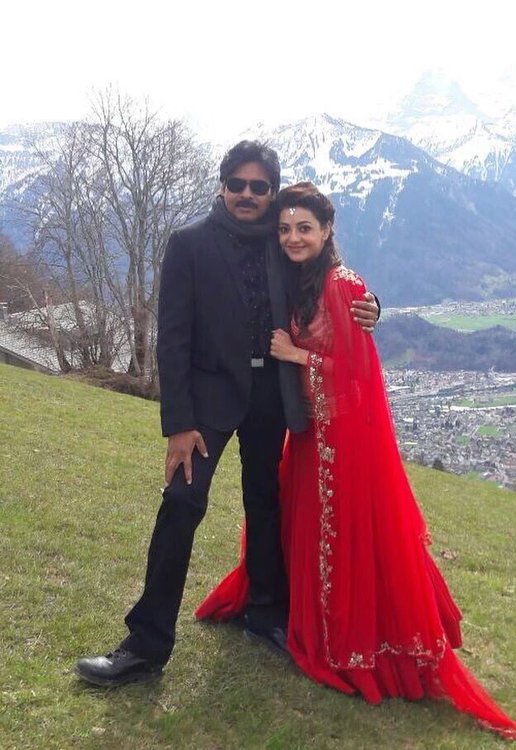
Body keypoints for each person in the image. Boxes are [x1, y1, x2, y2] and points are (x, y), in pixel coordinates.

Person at [195, 183, 516, 743]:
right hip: (312, 435)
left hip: (343, 438)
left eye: (305, 228)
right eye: (286, 229)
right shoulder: (299, 278)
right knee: (304, 527)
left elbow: (355, 376)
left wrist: (296, 354)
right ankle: (295, 612)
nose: (293, 238)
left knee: (345, 535)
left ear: (327, 230)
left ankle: (355, 638)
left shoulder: (342, 284)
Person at [74, 144, 379, 687]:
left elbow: (326, 276)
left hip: (272, 396)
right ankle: (145, 645)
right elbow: (172, 337)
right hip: (207, 403)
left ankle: (265, 613)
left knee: (266, 503)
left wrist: (371, 303)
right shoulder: (189, 243)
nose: (246, 194)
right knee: (181, 502)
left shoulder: (282, 241)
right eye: (237, 183)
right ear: (222, 186)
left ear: (271, 193)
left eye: (258, 187)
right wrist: (177, 423)